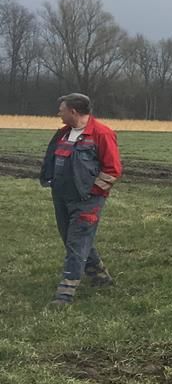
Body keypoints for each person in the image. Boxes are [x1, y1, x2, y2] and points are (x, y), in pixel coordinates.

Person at [39, 93, 122, 305]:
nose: (59, 113)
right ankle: (100, 276)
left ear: (73, 111)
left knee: (76, 242)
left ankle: (65, 293)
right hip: (61, 196)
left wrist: (92, 193)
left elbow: (112, 170)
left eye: (62, 109)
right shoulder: (63, 134)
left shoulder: (102, 134)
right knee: (71, 239)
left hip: (87, 200)